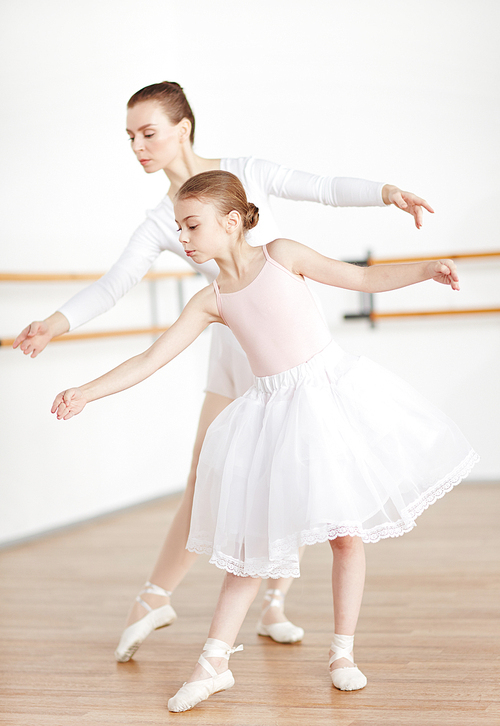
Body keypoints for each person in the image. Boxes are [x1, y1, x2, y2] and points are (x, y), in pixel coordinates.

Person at [14, 81, 436, 659]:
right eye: (130, 137)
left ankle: (276, 601)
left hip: (287, 344)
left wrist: (388, 192)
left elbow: (325, 189)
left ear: (182, 127)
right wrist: (55, 325)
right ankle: (159, 594)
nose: (137, 146)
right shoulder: (163, 222)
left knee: (306, 474)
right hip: (230, 345)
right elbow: (114, 287)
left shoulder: (245, 174)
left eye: (148, 132)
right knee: (211, 478)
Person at [51, 170, 478, 712]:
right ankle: (213, 665)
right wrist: (87, 392)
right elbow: (151, 359)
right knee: (252, 554)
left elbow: (363, 279)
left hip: (327, 401)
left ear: (231, 222)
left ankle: (342, 653)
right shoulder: (211, 300)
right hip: (271, 417)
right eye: (180, 228)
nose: (183, 239)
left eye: (191, 226)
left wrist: (426, 269)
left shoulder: (283, 254)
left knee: (346, 535)